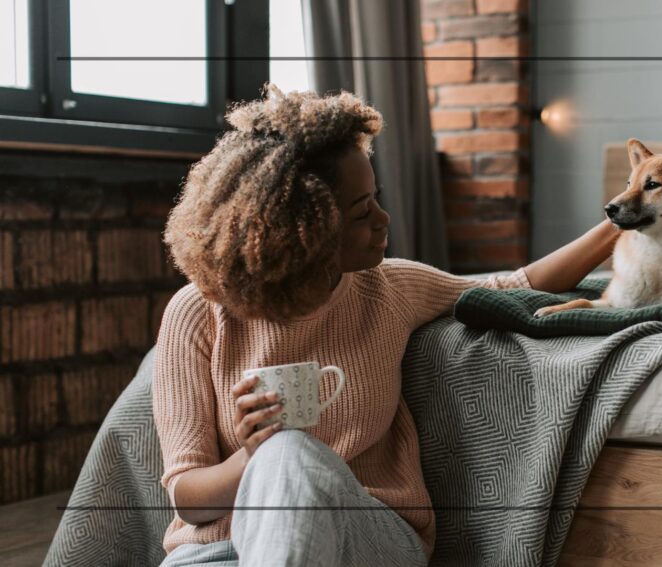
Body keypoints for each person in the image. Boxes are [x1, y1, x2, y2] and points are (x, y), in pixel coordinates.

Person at [153, 84, 619, 566]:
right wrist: (253, 456)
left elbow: (514, 285)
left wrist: (623, 221)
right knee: (280, 453)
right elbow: (189, 500)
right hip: (216, 553)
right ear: (303, 231)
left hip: (368, 540)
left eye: (375, 198)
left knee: (290, 453)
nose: (383, 218)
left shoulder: (390, 289)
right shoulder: (197, 314)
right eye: (362, 212)